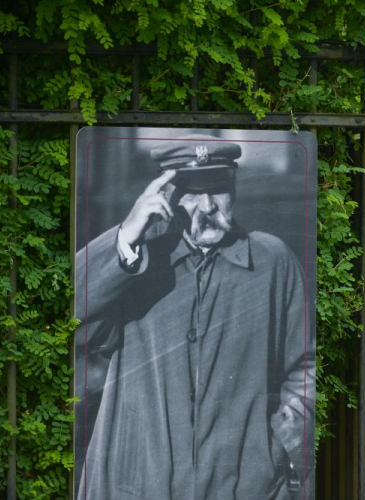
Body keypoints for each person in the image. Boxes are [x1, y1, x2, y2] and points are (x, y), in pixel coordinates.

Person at [75, 137, 314, 499]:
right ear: (167, 196)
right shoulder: (137, 259)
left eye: (218, 190)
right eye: (191, 192)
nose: (207, 205)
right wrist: (126, 236)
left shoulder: (271, 262)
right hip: (137, 485)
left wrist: (279, 445)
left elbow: (306, 365)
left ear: (234, 189)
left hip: (243, 488)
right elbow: (67, 316)